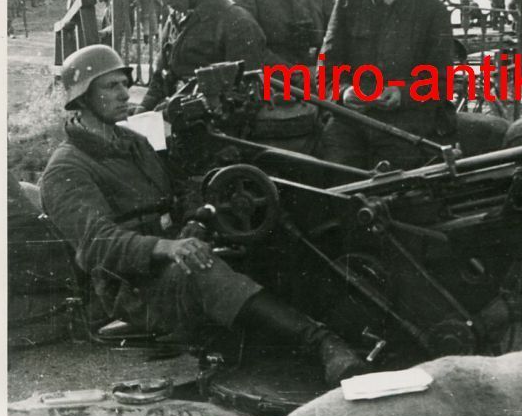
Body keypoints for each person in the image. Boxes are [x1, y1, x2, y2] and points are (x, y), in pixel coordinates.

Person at [40, 46, 365, 387]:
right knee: (201, 270)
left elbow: (179, 187)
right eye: (110, 86)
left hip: (170, 254)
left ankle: (340, 328)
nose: (124, 94)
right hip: (132, 290)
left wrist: (197, 216)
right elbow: (97, 245)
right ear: (82, 98)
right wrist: (166, 247)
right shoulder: (66, 168)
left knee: (267, 241)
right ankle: (320, 343)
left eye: (124, 83)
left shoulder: (132, 141)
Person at [320, 0, 457, 171]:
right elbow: (326, 71)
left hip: (408, 122)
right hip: (352, 119)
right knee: (334, 175)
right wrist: (343, 92)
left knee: (396, 185)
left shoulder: (432, 9)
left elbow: (442, 81)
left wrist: (401, 94)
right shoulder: (349, 3)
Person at [228, 0, 335, 151]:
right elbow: (249, 49)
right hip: (274, 88)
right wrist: (296, 76)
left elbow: (333, 34)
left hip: (319, 83)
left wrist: (322, 73)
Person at [136, 0, 266, 113]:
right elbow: (161, 78)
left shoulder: (236, 23)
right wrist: (143, 107)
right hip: (177, 121)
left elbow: (245, 95)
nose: (165, 1)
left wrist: (180, 107)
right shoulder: (176, 19)